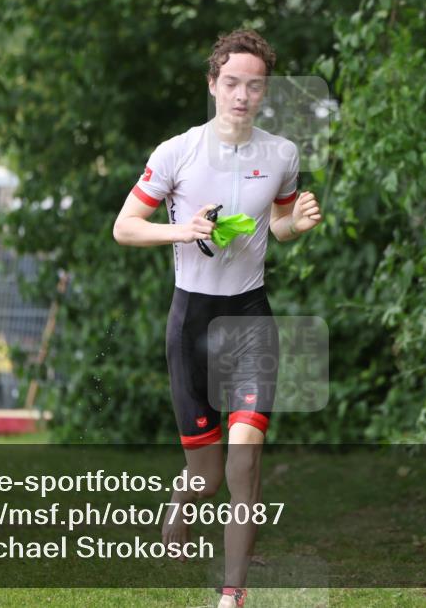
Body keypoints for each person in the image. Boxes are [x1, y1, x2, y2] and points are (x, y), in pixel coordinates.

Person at [113, 30, 322, 608]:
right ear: (213, 84)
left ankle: (233, 593)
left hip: (250, 316)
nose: (242, 95)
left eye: (254, 86)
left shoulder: (282, 155)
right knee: (204, 477)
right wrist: (183, 228)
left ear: (265, 93)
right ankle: (180, 510)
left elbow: (276, 226)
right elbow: (124, 227)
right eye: (231, 83)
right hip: (192, 323)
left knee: (246, 452)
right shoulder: (176, 152)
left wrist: (294, 227)